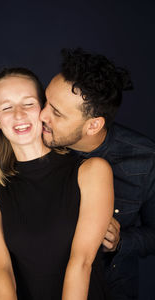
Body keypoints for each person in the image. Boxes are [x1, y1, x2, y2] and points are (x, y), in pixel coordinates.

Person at [0, 67, 114, 300]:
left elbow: (81, 263)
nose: (18, 115)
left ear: (44, 109)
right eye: (6, 107)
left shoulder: (92, 172)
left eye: (28, 103)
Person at [40, 48, 155, 300]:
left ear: (93, 125)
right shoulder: (34, 144)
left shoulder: (145, 159)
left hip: (113, 290)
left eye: (56, 112)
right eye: (45, 101)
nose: (41, 115)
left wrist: (121, 242)